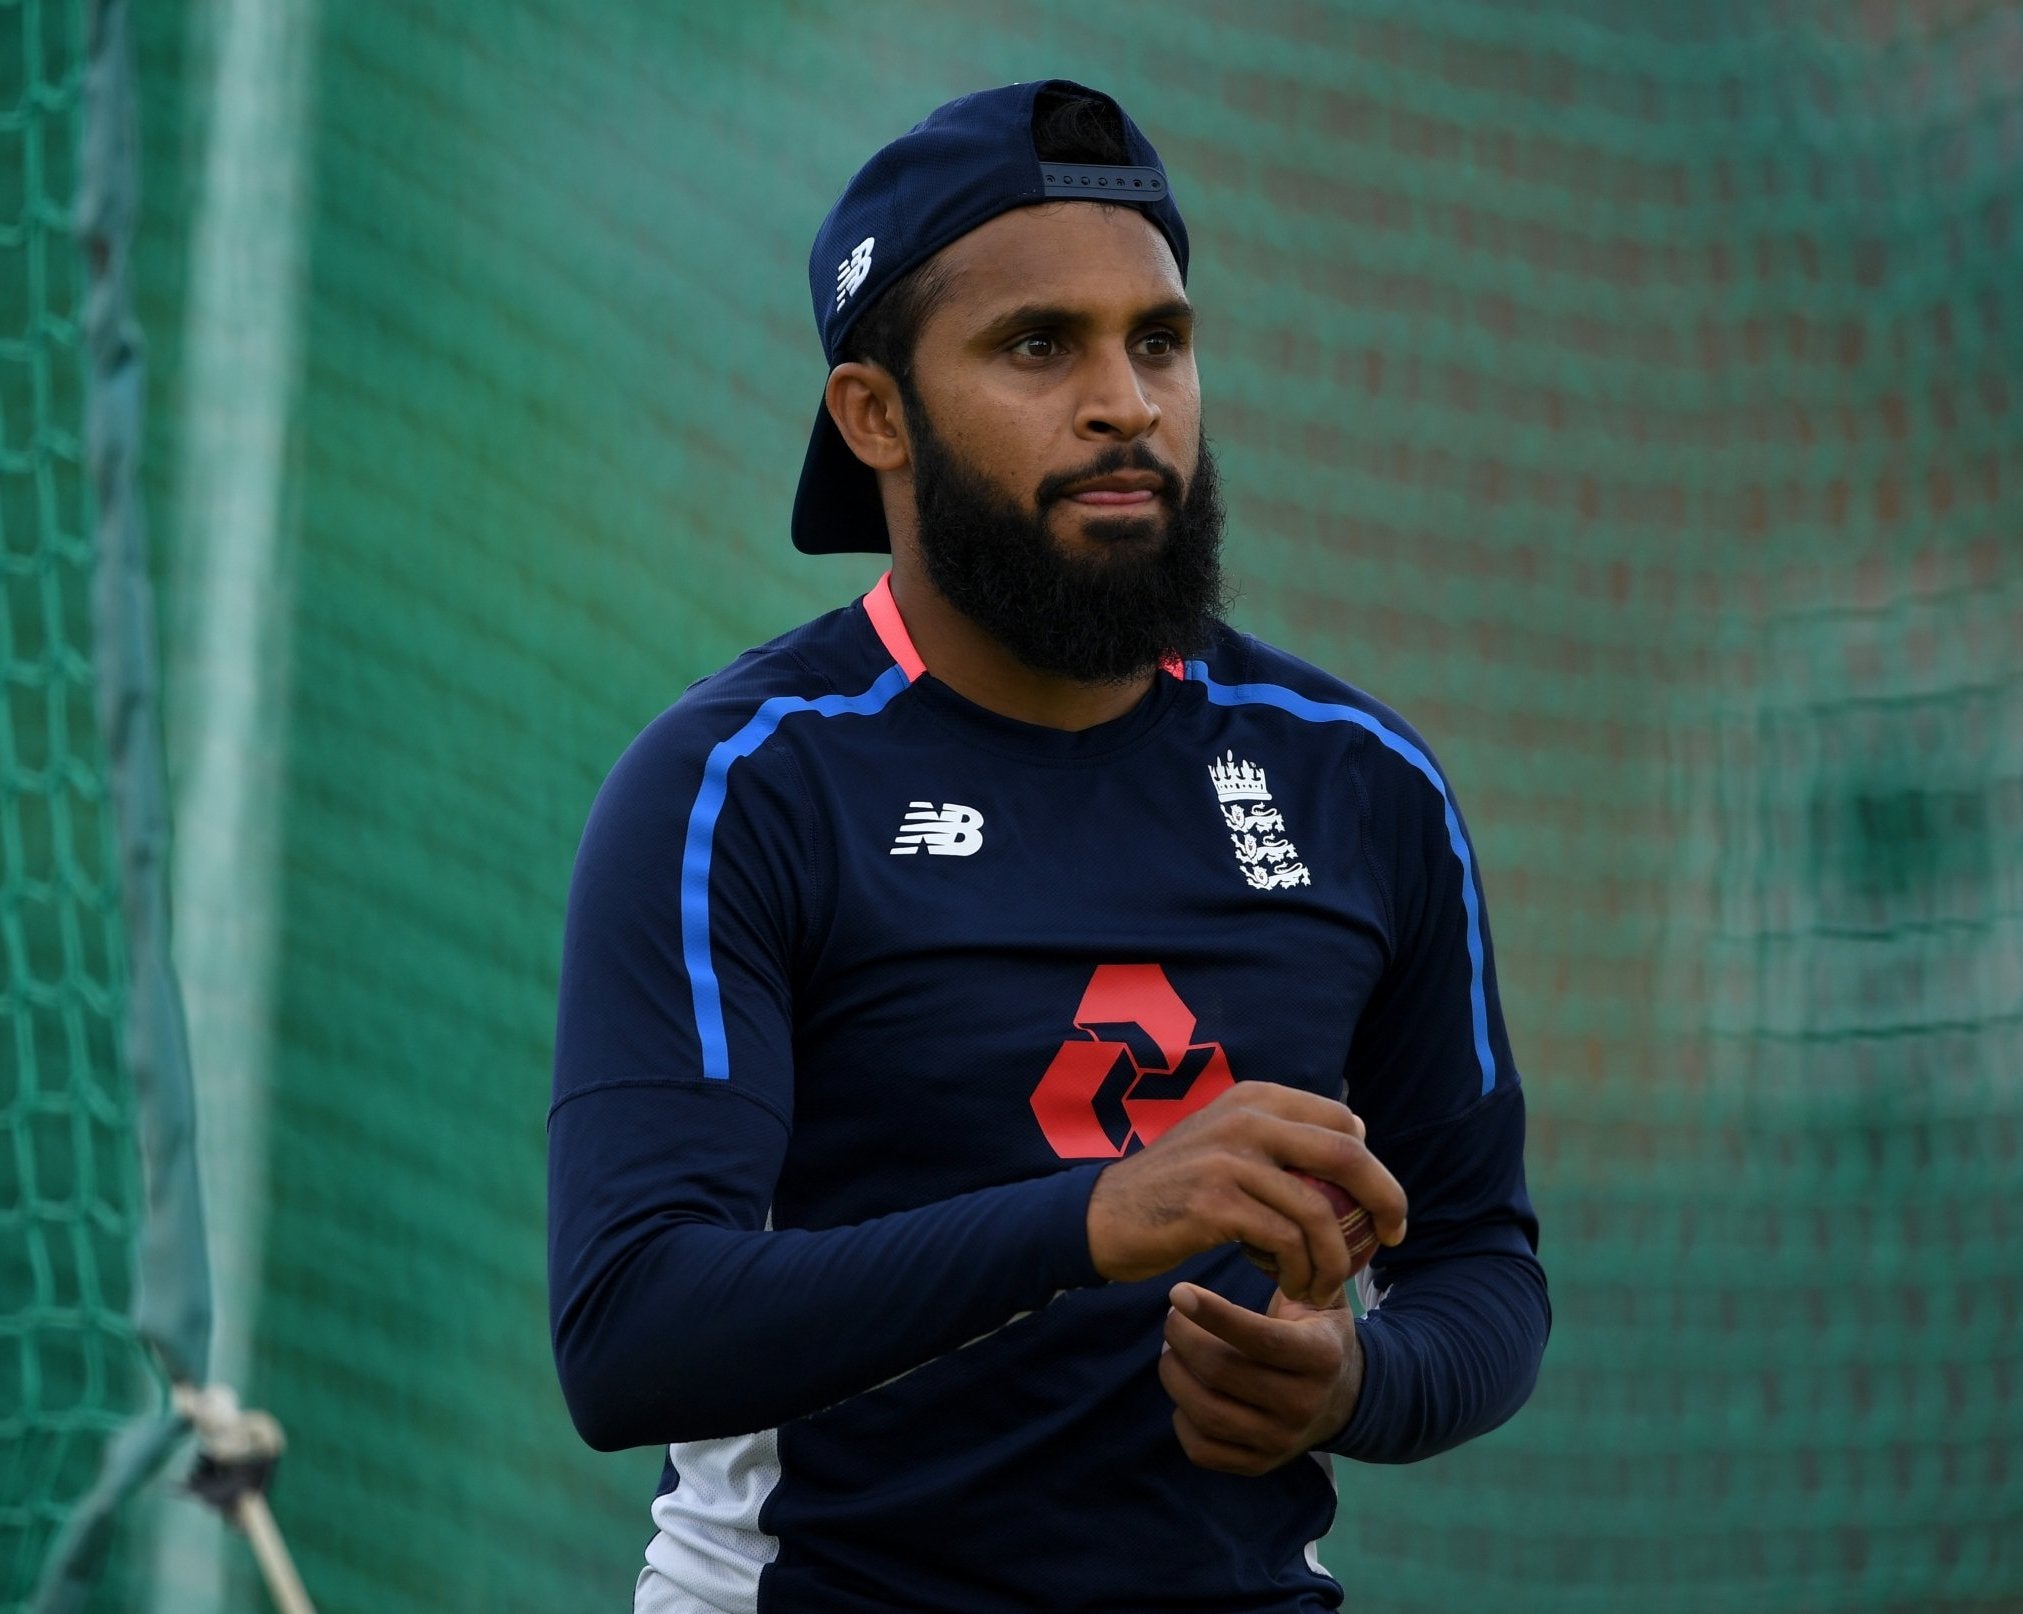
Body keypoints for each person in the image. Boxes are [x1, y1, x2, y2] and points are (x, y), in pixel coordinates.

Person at [548, 78, 1549, 1614]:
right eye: (1040, 346)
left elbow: (1483, 1266)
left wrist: (1359, 1380)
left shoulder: (1365, 783)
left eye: (1160, 340)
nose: (1126, 402)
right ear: (876, 414)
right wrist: (1098, 1219)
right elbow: (631, 1327)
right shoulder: (735, 787)